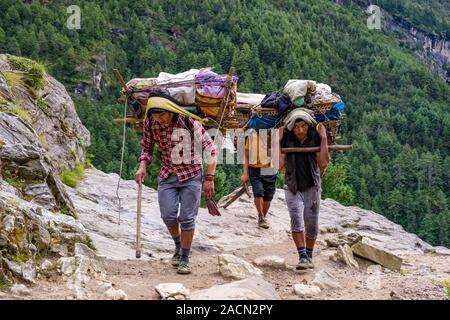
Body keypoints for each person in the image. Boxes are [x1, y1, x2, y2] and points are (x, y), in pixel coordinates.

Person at [135, 95, 218, 275]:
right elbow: (146, 148)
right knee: (168, 215)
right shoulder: (150, 123)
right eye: (155, 116)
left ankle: (184, 258)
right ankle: (178, 245)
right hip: (168, 174)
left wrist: (209, 178)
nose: (159, 120)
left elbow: (211, 149)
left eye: (162, 115)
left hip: (192, 175)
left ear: (170, 111)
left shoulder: (188, 122)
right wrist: (142, 167)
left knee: (187, 218)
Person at [279, 108, 329, 270]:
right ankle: (302, 256)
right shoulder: (286, 140)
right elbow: (278, 165)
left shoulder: (315, 138)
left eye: (304, 126)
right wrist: (277, 141)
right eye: (297, 126)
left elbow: (322, 163)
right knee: (296, 219)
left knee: (312, 223)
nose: (300, 130)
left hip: (312, 186)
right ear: (291, 127)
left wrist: (323, 138)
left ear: (309, 126)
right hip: (292, 186)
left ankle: (309, 254)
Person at [241, 129, 277, 229]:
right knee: (258, 191)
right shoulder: (252, 138)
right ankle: (261, 216)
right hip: (255, 168)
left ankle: (263, 217)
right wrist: (245, 174)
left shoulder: (274, 137)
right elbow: (246, 157)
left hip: (269, 169)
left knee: (268, 196)